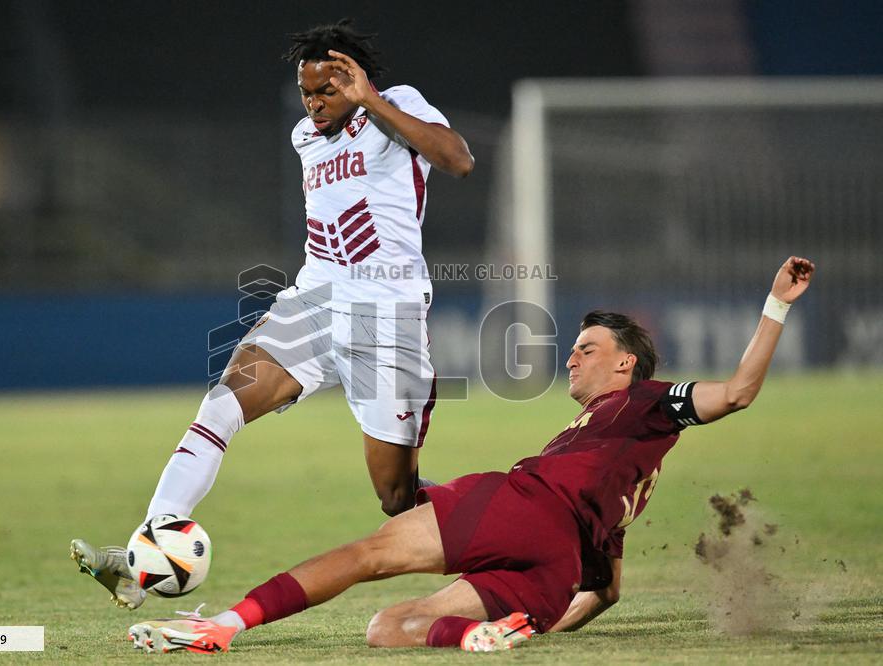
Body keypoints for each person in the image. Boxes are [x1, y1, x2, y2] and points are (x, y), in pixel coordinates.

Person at [122, 256, 815, 654]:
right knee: (389, 628)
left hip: (521, 508)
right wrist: (541, 619)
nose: (572, 357)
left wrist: (776, 305)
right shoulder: (618, 455)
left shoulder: (648, 402)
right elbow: (605, 588)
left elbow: (740, 391)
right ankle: (474, 640)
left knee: (368, 555)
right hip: (553, 570)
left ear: (627, 364)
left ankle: (223, 625)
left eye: (588, 349)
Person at [69, 19, 474, 611]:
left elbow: (458, 159)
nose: (314, 105)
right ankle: (148, 547)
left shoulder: (398, 107)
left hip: (386, 316)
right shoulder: (305, 138)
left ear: (354, 79)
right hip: (312, 301)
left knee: (395, 496)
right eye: (307, 92)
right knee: (221, 405)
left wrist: (372, 101)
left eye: (326, 91)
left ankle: (504, 533)